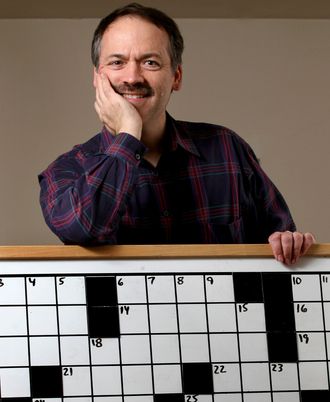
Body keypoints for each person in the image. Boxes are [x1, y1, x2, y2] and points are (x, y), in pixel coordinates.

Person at [38, 2, 315, 265]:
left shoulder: (228, 148)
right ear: (97, 78)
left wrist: (290, 243)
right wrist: (128, 136)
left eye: (150, 63)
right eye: (117, 62)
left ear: (176, 77)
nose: (132, 77)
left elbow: (280, 238)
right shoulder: (67, 170)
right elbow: (84, 229)